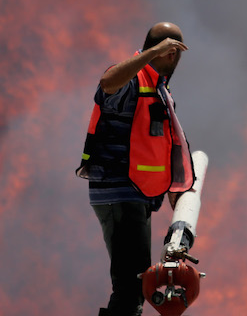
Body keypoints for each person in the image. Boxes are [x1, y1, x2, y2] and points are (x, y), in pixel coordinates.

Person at [76, 22, 195, 316]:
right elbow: (107, 83)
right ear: (169, 53)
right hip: (120, 191)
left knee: (136, 285)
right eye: (175, 53)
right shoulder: (133, 80)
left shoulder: (159, 89)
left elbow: (161, 144)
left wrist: (173, 188)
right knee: (131, 287)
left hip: (137, 195)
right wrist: (150, 52)